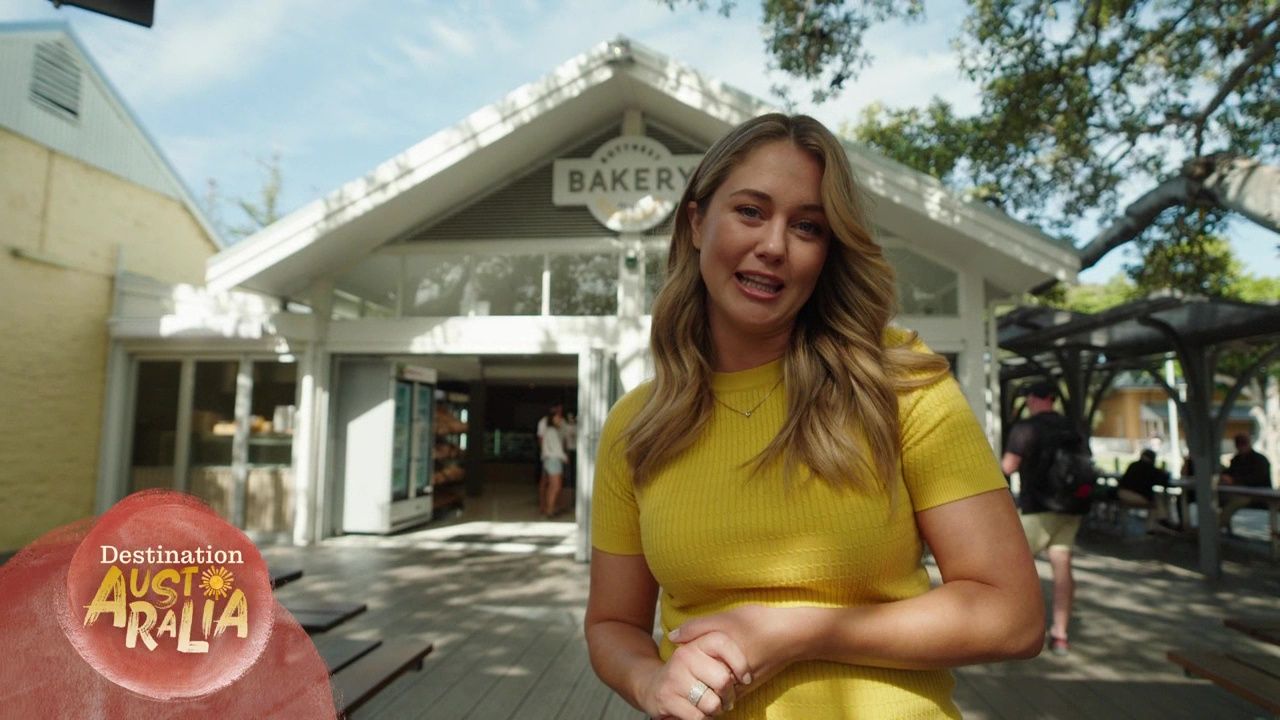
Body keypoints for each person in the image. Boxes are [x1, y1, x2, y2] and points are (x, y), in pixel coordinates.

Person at [585, 113, 1043, 720]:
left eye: (807, 226)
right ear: (696, 222)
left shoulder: (898, 382)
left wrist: (798, 632)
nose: (774, 246)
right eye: (750, 211)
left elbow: (1013, 615)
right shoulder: (637, 423)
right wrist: (649, 682)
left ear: (829, 251)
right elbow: (612, 624)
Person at [1000, 380, 1085, 656]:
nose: (1028, 402)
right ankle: (1060, 634)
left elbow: (1007, 467)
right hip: (1071, 508)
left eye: (1029, 398)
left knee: (1011, 567)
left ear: (1036, 399)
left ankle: (1017, 629)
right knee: (1062, 568)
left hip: (1037, 508)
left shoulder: (1026, 428)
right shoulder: (1071, 426)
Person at [1219, 433, 1273, 534]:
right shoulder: (1237, 459)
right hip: (1240, 492)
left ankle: (1216, 527)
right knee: (1219, 498)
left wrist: (1234, 480)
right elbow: (1229, 473)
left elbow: (1257, 479)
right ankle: (1221, 528)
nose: (1241, 446)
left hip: (1258, 495)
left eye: (1243, 443)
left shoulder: (1260, 460)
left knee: (1235, 502)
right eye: (1239, 444)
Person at [1117, 449, 1175, 533]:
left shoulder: (1133, 465)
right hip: (1132, 495)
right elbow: (1164, 478)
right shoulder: (1149, 468)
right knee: (1154, 502)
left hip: (1121, 493)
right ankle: (1159, 521)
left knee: (1155, 498)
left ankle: (1157, 523)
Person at [539, 410, 568, 518]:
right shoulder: (552, 432)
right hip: (554, 461)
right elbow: (557, 449)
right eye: (557, 418)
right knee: (556, 487)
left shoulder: (549, 431)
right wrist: (564, 457)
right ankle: (550, 510)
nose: (559, 420)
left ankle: (549, 509)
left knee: (551, 486)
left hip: (549, 460)